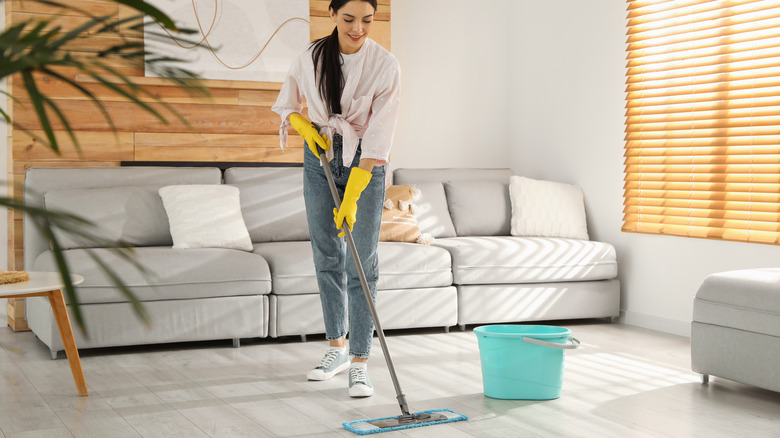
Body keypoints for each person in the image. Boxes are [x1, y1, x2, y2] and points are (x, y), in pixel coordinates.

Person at [272, 0, 400, 398]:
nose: (358, 28)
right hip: (320, 155)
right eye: (349, 19)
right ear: (331, 15)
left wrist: (357, 189)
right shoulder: (310, 56)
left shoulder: (386, 65)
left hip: (366, 160)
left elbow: (381, 132)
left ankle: (360, 362)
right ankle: (337, 349)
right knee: (327, 255)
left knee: (362, 262)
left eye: (367, 20)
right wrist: (300, 124)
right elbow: (288, 103)